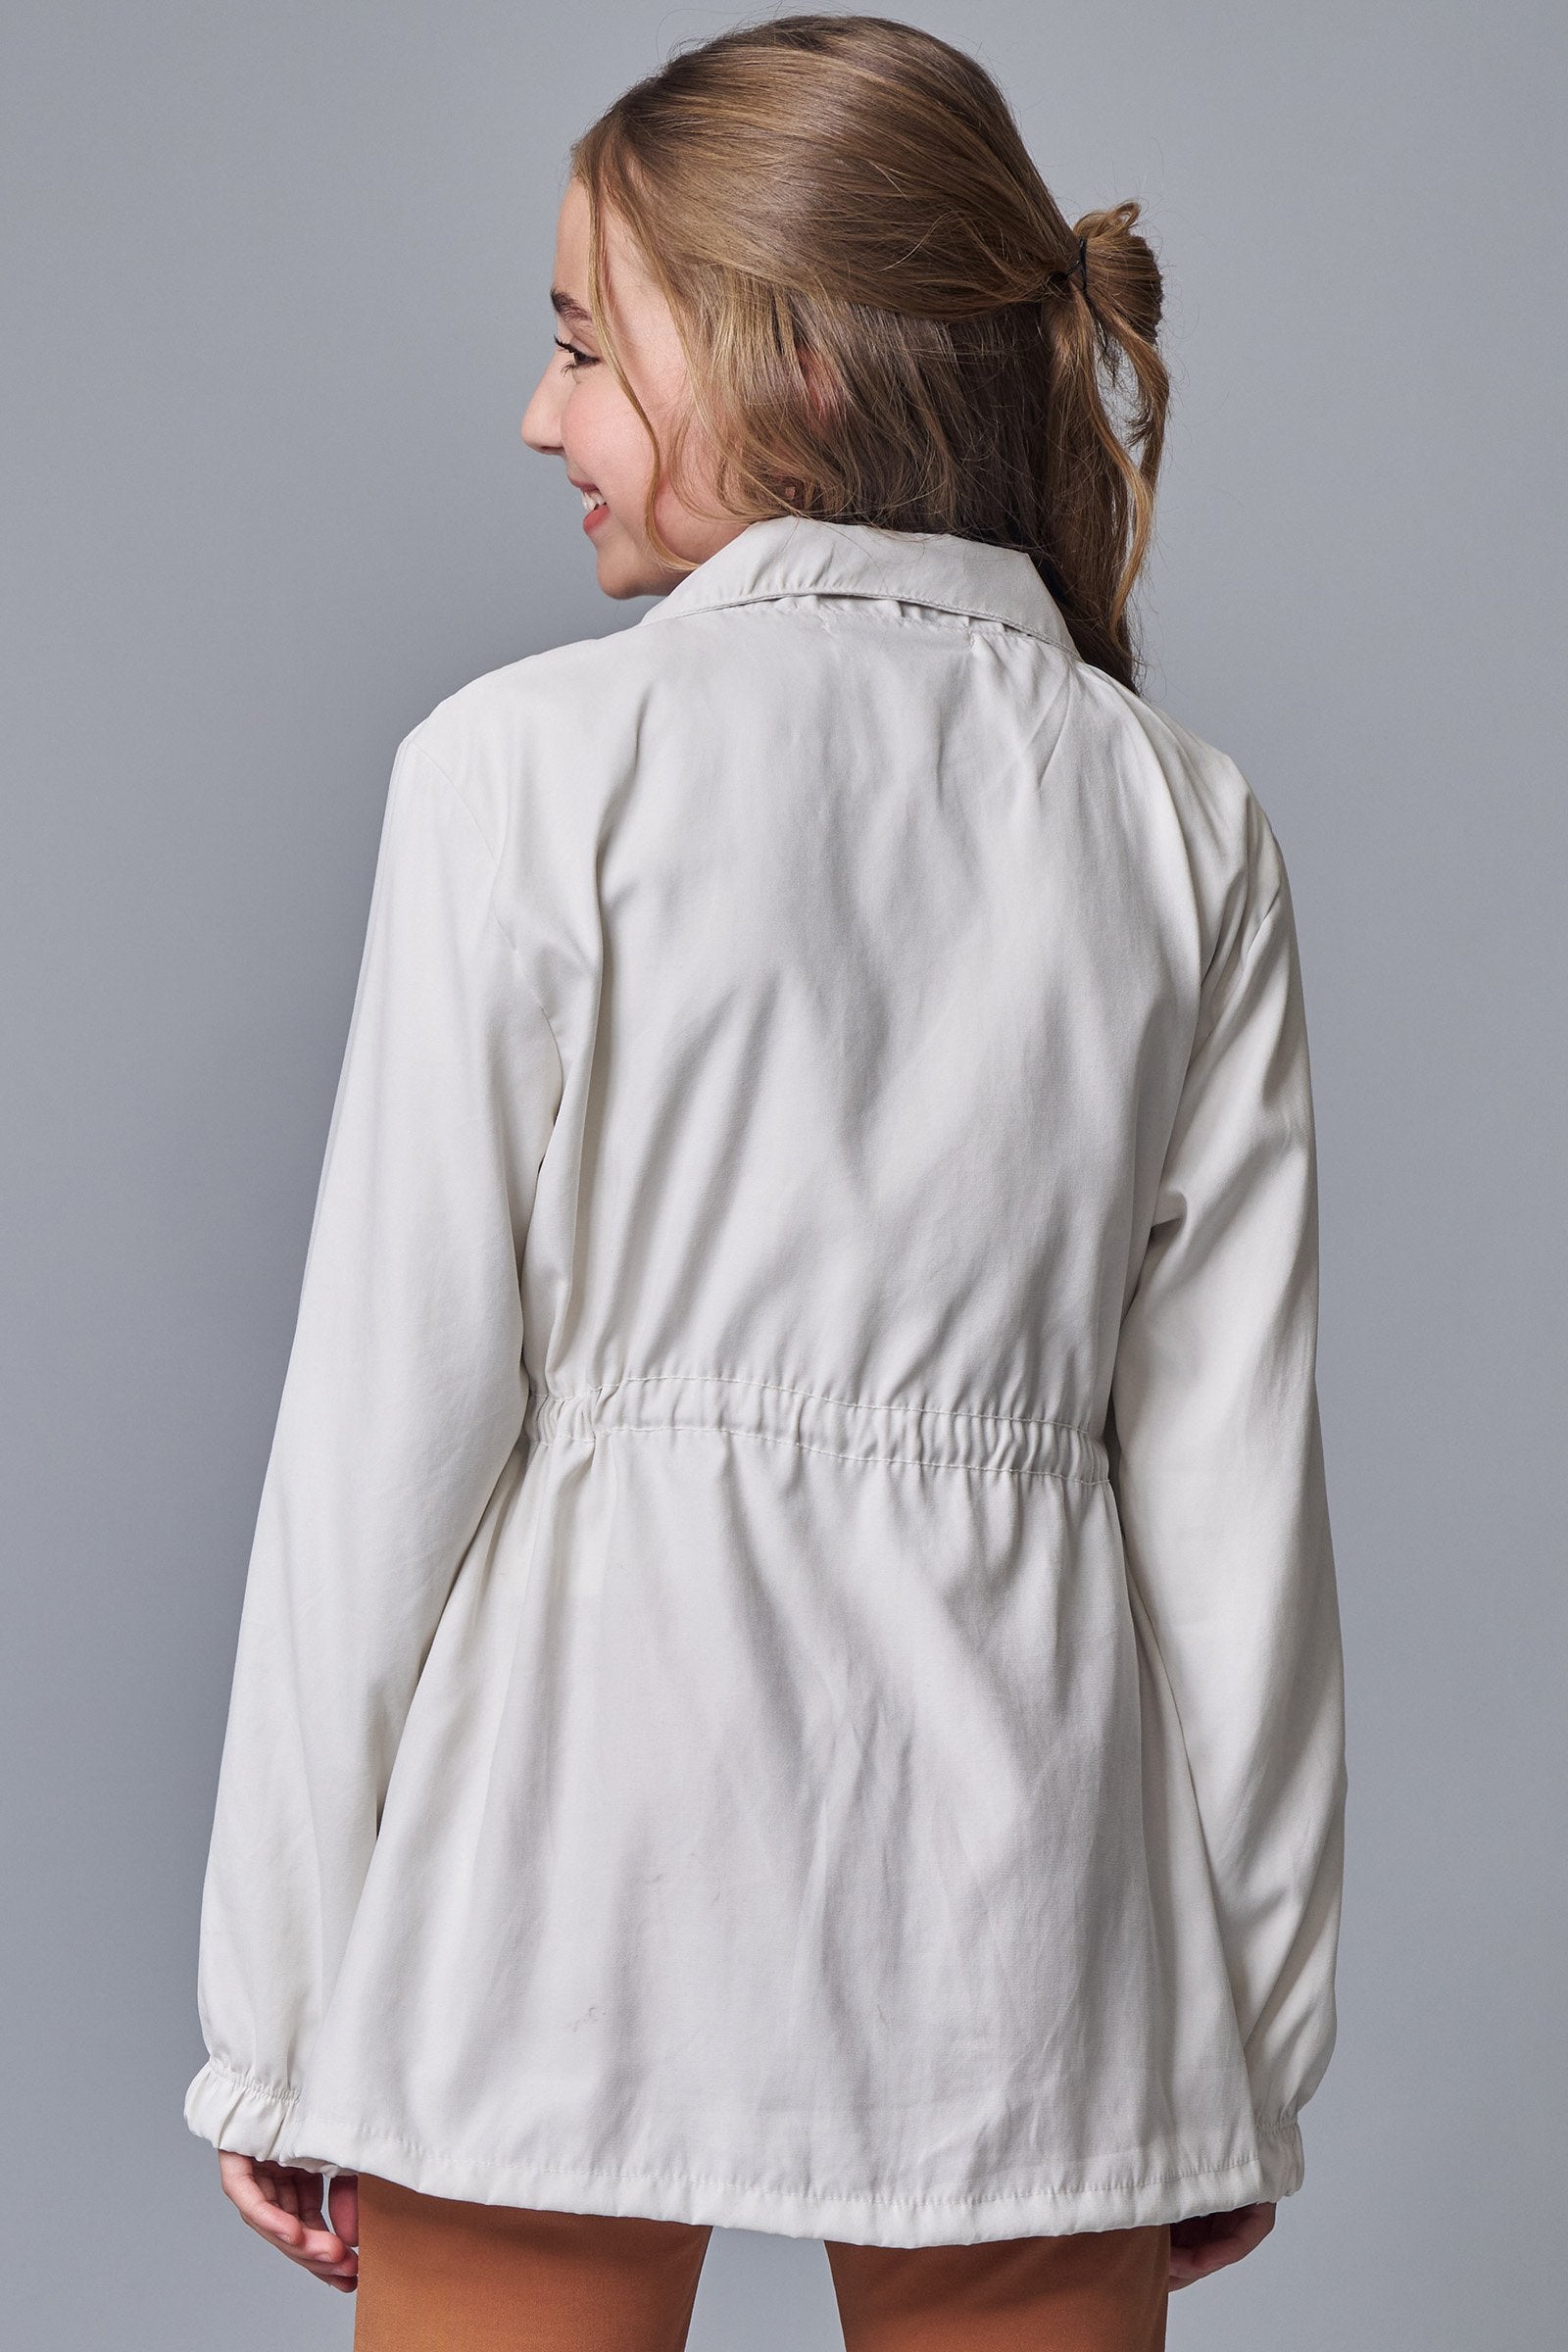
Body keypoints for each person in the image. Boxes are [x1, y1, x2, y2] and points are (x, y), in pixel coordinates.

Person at [183, 16, 1348, 2348]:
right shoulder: (1177, 820)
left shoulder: (522, 771)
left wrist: (281, 2008)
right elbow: (1232, 1507)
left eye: (580, 344)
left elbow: (385, 1431)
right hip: (1029, 1914)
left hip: (549, 1890)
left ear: (794, 361)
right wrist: (1235, 2043)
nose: (538, 416)